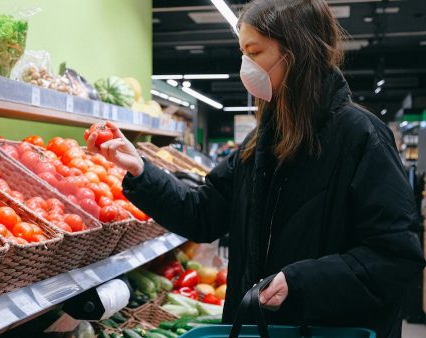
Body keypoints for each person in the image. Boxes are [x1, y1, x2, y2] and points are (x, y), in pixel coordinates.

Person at [86, 0, 425, 337]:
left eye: (255, 52)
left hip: (329, 330)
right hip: (259, 329)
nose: (245, 65)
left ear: (296, 53)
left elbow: (395, 257)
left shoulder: (362, 137)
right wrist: (141, 172)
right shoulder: (260, 143)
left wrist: (301, 281)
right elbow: (203, 213)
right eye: (242, 53)